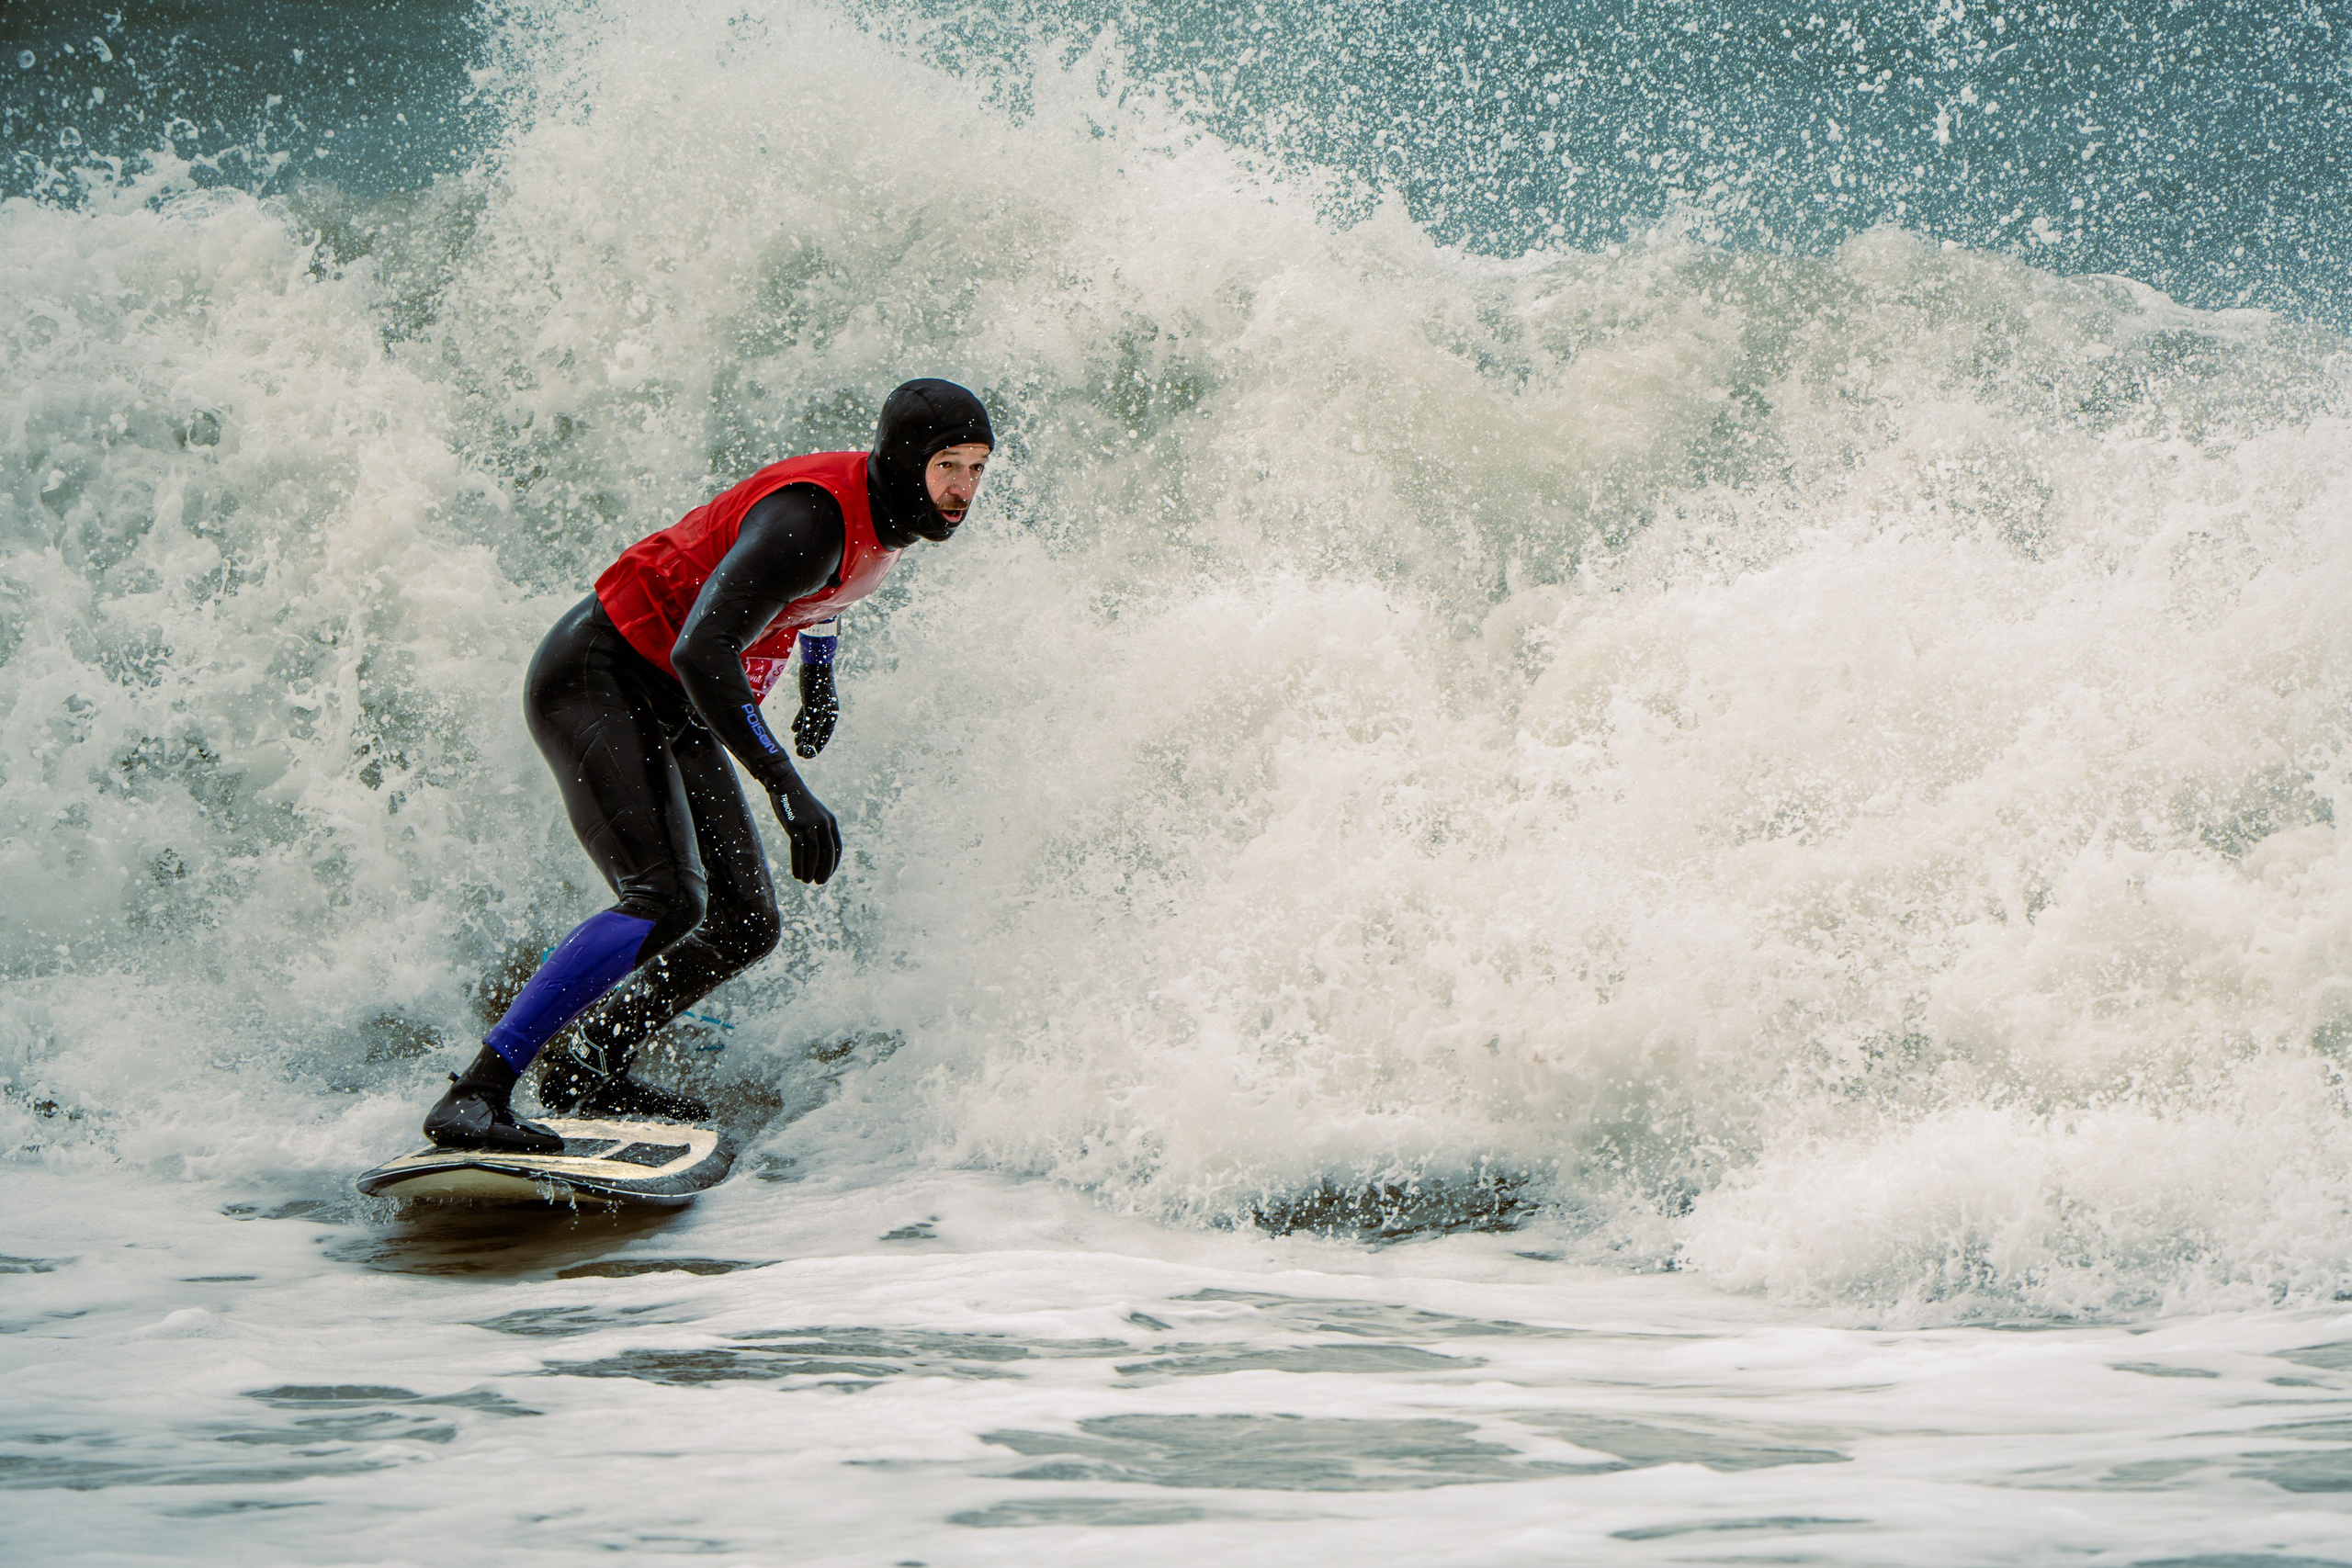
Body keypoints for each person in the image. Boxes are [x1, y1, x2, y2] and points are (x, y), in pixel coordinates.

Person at [421, 378, 995, 1152]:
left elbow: (821, 594)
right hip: (603, 673)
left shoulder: (888, 517)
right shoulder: (810, 517)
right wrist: (785, 783)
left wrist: (820, 678)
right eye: (948, 465)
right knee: (662, 896)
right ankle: (475, 1094)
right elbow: (701, 645)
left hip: (670, 696)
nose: (962, 489)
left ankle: (586, 1068)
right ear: (901, 459)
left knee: (743, 921)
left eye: (978, 467)